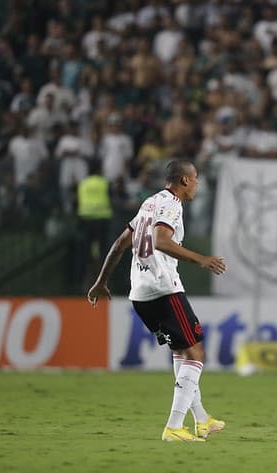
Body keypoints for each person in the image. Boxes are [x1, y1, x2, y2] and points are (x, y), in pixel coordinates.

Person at [87, 159, 228, 442]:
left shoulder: (149, 203)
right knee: (197, 354)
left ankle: (201, 420)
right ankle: (174, 427)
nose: (197, 183)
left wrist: (101, 281)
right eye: (196, 178)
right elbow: (161, 240)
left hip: (140, 293)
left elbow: (119, 244)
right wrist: (202, 259)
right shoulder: (172, 205)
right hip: (163, 289)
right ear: (185, 181)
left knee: (182, 352)